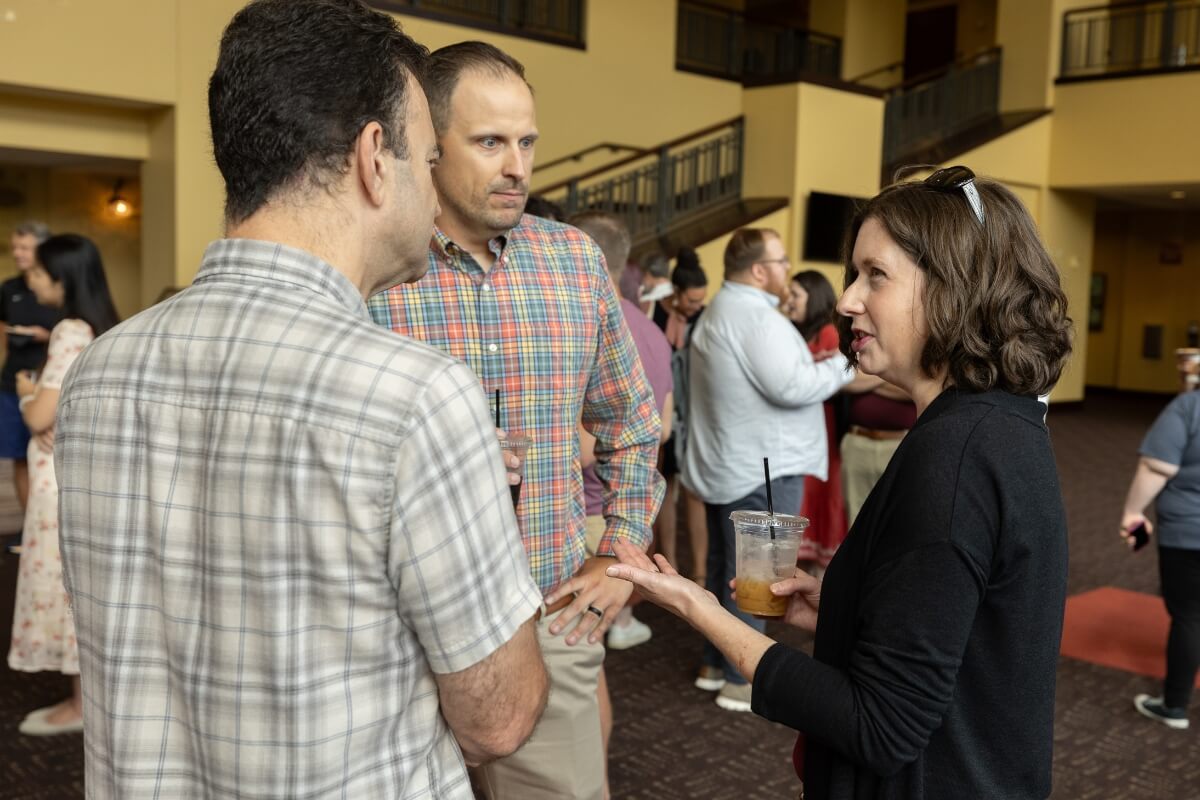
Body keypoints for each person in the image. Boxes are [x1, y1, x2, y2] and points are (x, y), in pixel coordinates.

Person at [55, 2, 547, 797]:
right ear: (373, 158)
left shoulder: (99, 371)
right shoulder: (413, 394)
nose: (433, 192)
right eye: (427, 161)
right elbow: (498, 716)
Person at [608, 167, 1073, 800]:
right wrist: (847, 614)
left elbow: (879, 726)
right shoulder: (1001, 425)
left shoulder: (955, 457)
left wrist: (706, 613)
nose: (849, 298)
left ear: (954, 290)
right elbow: (968, 636)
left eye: (875, 275)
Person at [367, 41, 663, 800]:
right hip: (396, 635)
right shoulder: (372, 269)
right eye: (490, 141)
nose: (518, 167)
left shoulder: (572, 260)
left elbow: (633, 422)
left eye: (526, 141)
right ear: (428, 145)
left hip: (548, 618)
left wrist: (622, 550)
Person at [682, 227, 853, 712]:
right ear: (760, 270)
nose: (786, 269)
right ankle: (742, 678)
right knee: (754, 577)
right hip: (764, 467)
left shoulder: (721, 309)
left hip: (730, 462)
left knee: (723, 568)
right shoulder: (758, 318)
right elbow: (792, 386)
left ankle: (714, 663)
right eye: (781, 261)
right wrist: (846, 365)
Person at [571, 210, 673, 799]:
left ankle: (592, 783)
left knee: (580, 679)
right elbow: (663, 424)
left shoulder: (597, 324)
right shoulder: (650, 329)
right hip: (626, 519)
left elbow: (613, 439)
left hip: (590, 521)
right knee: (590, 672)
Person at [8, 234, 119, 736]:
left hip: (57, 481)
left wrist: (28, 392)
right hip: (79, 472)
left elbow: (39, 417)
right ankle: (84, 700)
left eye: (38, 273)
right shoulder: (104, 326)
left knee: (63, 587)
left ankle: (78, 706)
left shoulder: (71, 329)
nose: (30, 280)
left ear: (62, 278)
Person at [1120, 388, 1200, 730]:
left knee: (1189, 617)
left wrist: (1133, 513)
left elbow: (1157, 466)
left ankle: (1175, 706)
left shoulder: (1190, 406)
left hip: (1189, 534)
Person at [784, 270, 849, 570]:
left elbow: (845, 376)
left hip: (821, 429)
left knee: (819, 493)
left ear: (815, 296)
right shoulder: (794, 331)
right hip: (798, 429)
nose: (789, 300)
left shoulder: (828, 332)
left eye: (796, 294)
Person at [653, 251, 709, 583]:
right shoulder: (654, 315)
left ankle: (700, 572)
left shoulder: (704, 318)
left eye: (700, 301)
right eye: (690, 300)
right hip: (664, 411)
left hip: (695, 413)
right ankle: (669, 562)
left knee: (694, 490)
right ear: (675, 292)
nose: (695, 307)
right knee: (665, 487)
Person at [0, 221, 58, 523]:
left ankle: (51, 525)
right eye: (15, 247)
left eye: (24, 247)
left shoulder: (59, 287)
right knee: (19, 459)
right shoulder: (9, 288)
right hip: (13, 383)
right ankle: (30, 527)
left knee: (48, 456)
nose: (17, 252)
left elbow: (76, 330)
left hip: (50, 385)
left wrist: (43, 335)